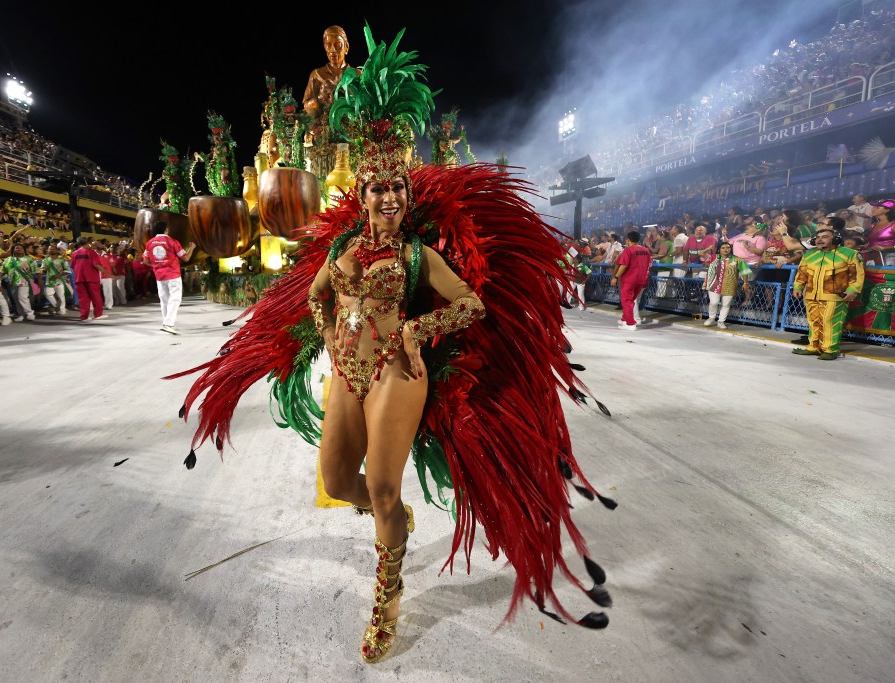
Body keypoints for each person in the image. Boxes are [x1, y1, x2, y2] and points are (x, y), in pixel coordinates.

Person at [170, 26, 614, 665]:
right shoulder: (343, 250)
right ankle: (396, 523)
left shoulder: (417, 255)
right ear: (363, 196)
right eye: (377, 187)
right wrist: (323, 330)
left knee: (379, 484)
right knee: (335, 479)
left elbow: (472, 302)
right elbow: (318, 296)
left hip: (398, 370)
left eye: (396, 188)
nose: (386, 196)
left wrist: (416, 329)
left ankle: (388, 592)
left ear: (406, 199)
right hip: (346, 368)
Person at [791, 225, 865, 361]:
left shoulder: (849, 254)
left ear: (835, 239)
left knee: (831, 322)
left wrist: (853, 290)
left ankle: (831, 349)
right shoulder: (809, 255)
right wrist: (797, 287)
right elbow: (802, 273)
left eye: (824, 237)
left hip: (835, 296)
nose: (820, 240)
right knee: (813, 322)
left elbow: (857, 275)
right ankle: (813, 347)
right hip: (812, 294)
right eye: (818, 237)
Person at [302, 25, 355, 142]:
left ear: (346, 47)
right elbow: (307, 104)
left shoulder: (357, 75)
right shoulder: (316, 75)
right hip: (324, 135)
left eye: (338, 45)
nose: (333, 50)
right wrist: (319, 100)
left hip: (351, 134)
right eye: (328, 45)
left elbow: (365, 105)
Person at [143, 221, 195, 334]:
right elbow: (185, 258)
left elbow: (145, 261)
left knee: (164, 300)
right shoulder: (172, 241)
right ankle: (168, 324)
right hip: (172, 274)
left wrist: (158, 265)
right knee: (175, 298)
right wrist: (191, 248)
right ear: (166, 230)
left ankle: (166, 322)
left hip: (159, 275)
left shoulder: (149, 243)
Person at [702, 242, 752, 329]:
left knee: (726, 304)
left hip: (730, 284)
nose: (726, 249)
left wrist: (745, 283)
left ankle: (721, 321)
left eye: (728, 247)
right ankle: (711, 318)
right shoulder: (714, 258)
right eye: (723, 248)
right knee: (714, 302)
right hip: (714, 284)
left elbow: (744, 271)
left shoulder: (737, 260)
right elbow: (701, 254)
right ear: (719, 249)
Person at [610, 230, 651, 330]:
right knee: (631, 300)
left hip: (629, 279)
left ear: (628, 240)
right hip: (641, 279)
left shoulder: (628, 250)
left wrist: (615, 277)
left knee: (627, 301)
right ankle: (624, 319)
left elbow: (623, 265)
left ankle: (630, 323)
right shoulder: (646, 250)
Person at [70, 237, 108, 322]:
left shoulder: (74, 253)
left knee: (83, 298)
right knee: (96, 297)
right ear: (88, 243)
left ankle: (84, 317)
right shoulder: (91, 252)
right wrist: (106, 272)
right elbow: (96, 265)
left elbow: (72, 266)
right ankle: (98, 314)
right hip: (91, 278)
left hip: (79, 278)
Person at [864, 198, 895, 266]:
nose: (873, 209)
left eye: (877, 207)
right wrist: (864, 246)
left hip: (893, 261)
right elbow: (872, 242)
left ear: (887, 210)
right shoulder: (873, 225)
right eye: (873, 207)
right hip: (874, 260)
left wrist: (885, 247)